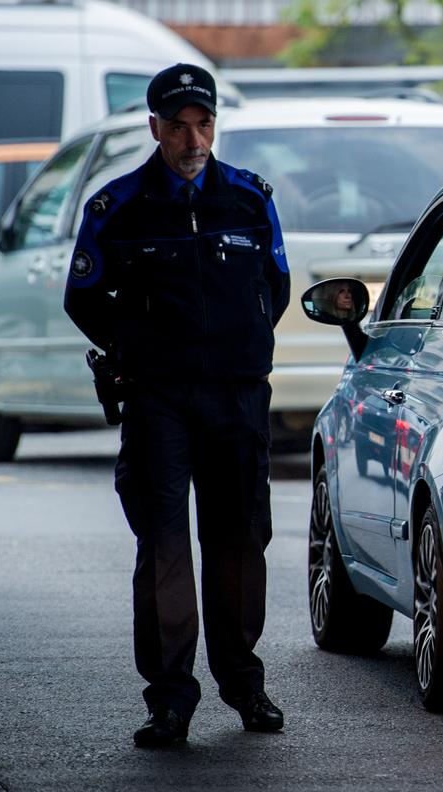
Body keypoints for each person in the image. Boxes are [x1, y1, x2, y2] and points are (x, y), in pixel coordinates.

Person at [64, 63, 290, 748]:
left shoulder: (250, 200)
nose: (194, 139)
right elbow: (83, 297)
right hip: (158, 399)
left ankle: (243, 685)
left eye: (204, 124)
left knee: (239, 541)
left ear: (214, 124)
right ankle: (170, 701)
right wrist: (136, 349)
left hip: (237, 395)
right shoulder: (117, 206)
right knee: (163, 546)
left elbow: (274, 286)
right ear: (155, 128)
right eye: (181, 126)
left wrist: (234, 348)